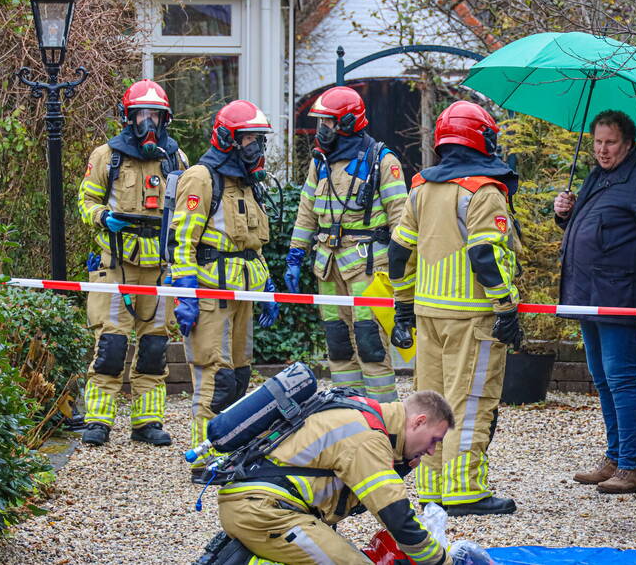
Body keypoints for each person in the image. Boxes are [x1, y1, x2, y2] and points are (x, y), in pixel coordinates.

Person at [388, 101, 522, 516]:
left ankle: (430, 488)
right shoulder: (483, 191)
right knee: (472, 401)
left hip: (429, 314)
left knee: (429, 402)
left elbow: (398, 253)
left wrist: (404, 308)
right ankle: (465, 492)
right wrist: (505, 307)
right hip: (473, 316)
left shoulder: (421, 188)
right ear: (482, 138)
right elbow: (485, 256)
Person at [554, 110, 636, 495]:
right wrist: (566, 215)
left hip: (620, 293)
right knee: (603, 379)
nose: (603, 150)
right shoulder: (596, 176)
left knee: (620, 378)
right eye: (598, 142)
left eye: (611, 143)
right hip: (588, 292)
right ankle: (614, 456)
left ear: (628, 143)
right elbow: (594, 226)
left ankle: (631, 467)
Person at [216, 389, 456, 565]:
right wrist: (443, 561)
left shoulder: (362, 413)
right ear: (419, 422)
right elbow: (397, 519)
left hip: (258, 507)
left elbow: (354, 491)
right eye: (434, 440)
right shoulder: (369, 438)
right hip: (267, 513)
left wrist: (402, 466)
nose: (432, 450)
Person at [77, 79, 188, 447]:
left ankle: (147, 422)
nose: (148, 122)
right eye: (142, 114)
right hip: (115, 266)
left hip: (159, 272)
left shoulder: (176, 159)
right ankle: (97, 421)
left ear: (164, 118)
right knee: (110, 348)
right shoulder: (106, 156)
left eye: (155, 115)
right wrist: (102, 217)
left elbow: (191, 210)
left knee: (154, 349)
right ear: (129, 117)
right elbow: (86, 202)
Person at [169, 99, 279, 468]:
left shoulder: (246, 183)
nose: (257, 148)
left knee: (240, 376)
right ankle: (205, 460)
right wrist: (185, 294)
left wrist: (267, 288)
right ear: (229, 138)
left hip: (243, 294)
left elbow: (251, 245)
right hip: (209, 296)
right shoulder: (202, 177)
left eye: (260, 140)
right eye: (250, 139)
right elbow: (181, 241)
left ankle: (229, 452)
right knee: (215, 379)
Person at [284, 86, 407, 402]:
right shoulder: (320, 161)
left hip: (367, 266)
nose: (321, 129)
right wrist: (295, 256)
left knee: (371, 344)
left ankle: (384, 419)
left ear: (349, 122)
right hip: (327, 266)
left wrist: (401, 269)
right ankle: (349, 409)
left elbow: (401, 219)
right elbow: (306, 211)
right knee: (337, 344)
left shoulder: (382, 160)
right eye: (320, 122)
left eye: (328, 122)